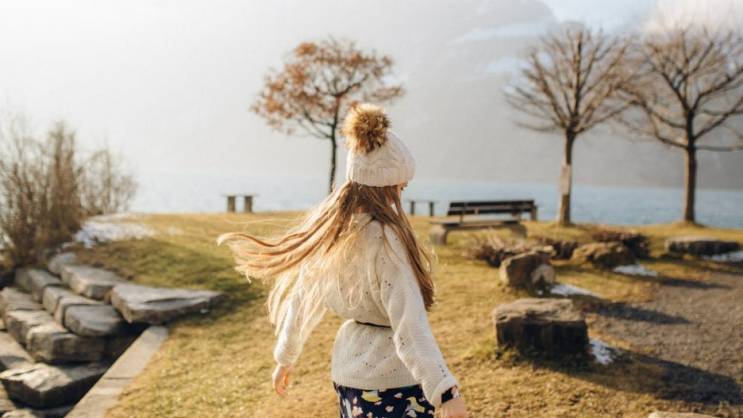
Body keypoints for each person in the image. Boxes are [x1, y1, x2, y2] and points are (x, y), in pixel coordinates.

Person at [218, 103, 468, 418]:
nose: (401, 195)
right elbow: (409, 326)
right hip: (394, 385)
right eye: (401, 187)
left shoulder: (332, 235)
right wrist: (445, 391)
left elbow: (302, 300)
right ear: (388, 187)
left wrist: (285, 357)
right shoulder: (386, 241)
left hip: (350, 380)